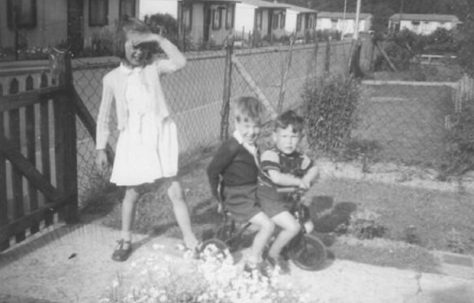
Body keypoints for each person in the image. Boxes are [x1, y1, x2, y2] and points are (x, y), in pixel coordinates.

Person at [95, 18, 199, 262]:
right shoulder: (111, 79)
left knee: (176, 190)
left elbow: (180, 62)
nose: (139, 52)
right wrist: (101, 147)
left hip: (159, 136)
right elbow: (102, 116)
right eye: (133, 45)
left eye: (144, 46)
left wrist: (158, 38)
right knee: (132, 193)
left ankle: (190, 239)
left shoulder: (154, 67)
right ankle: (126, 238)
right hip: (134, 140)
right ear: (119, 45)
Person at [207, 96, 275, 274]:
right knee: (268, 225)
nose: (252, 132)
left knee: (278, 206)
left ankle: (270, 248)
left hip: (252, 192)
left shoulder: (252, 145)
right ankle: (253, 262)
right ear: (236, 123)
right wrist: (219, 199)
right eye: (247, 126)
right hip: (238, 198)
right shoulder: (231, 147)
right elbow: (212, 171)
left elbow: (254, 170)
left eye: (256, 126)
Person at [257, 110, 319, 273]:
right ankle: (272, 255)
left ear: (299, 138)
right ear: (275, 137)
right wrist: (299, 181)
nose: (289, 142)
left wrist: (308, 177)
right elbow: (276, 178)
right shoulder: (270, 155)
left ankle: (285, 245)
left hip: (286, 199)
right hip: (269, 199)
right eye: (284, 136)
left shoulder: (299, 157)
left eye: (293, 137)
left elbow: (314, 168)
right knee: (293, 227)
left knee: (308, 227)